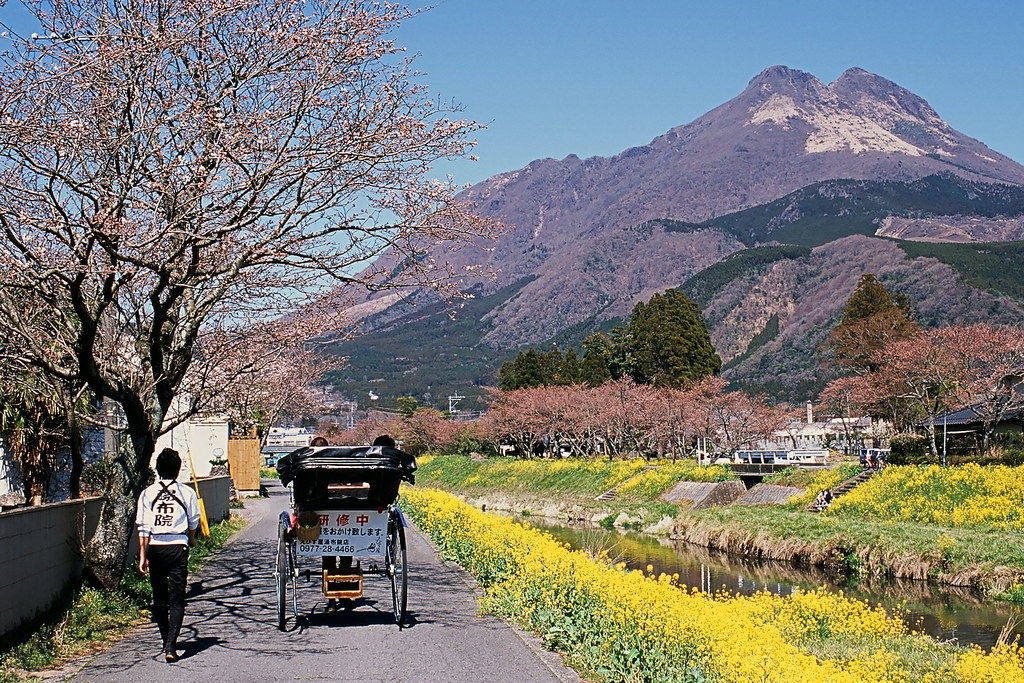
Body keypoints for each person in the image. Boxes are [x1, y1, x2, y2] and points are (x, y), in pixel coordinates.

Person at [136, 448, 201, 663]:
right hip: (177, 547)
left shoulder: (147, 493)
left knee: (160, 598)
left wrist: (142, 555)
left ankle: (166, 639)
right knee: (177, 598)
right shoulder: (187, 492)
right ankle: (171, 646)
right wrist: (191, 539)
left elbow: (143, 528)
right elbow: (194, 521)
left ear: (157, 468)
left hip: (155, 547)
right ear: (177, 469)